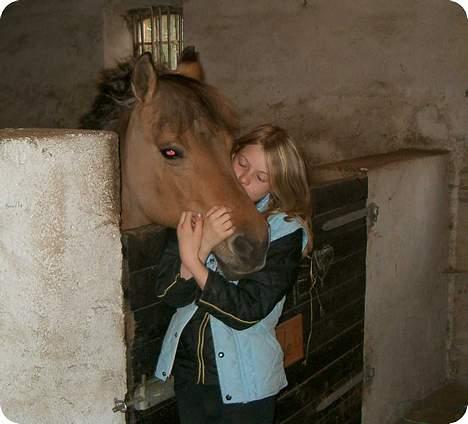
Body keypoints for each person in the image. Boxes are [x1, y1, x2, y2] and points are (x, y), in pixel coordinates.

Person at [154, 124, 313, 424]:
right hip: (191, 376)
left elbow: (248, 309)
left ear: (274, 187)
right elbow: (169, 294)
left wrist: (194, 258)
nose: (243, 179)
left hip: (246, 383)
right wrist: (201, 250)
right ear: (231, 154)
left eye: (261, 178)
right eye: (242, 163)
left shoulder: (283, 230)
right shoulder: (193, 208)